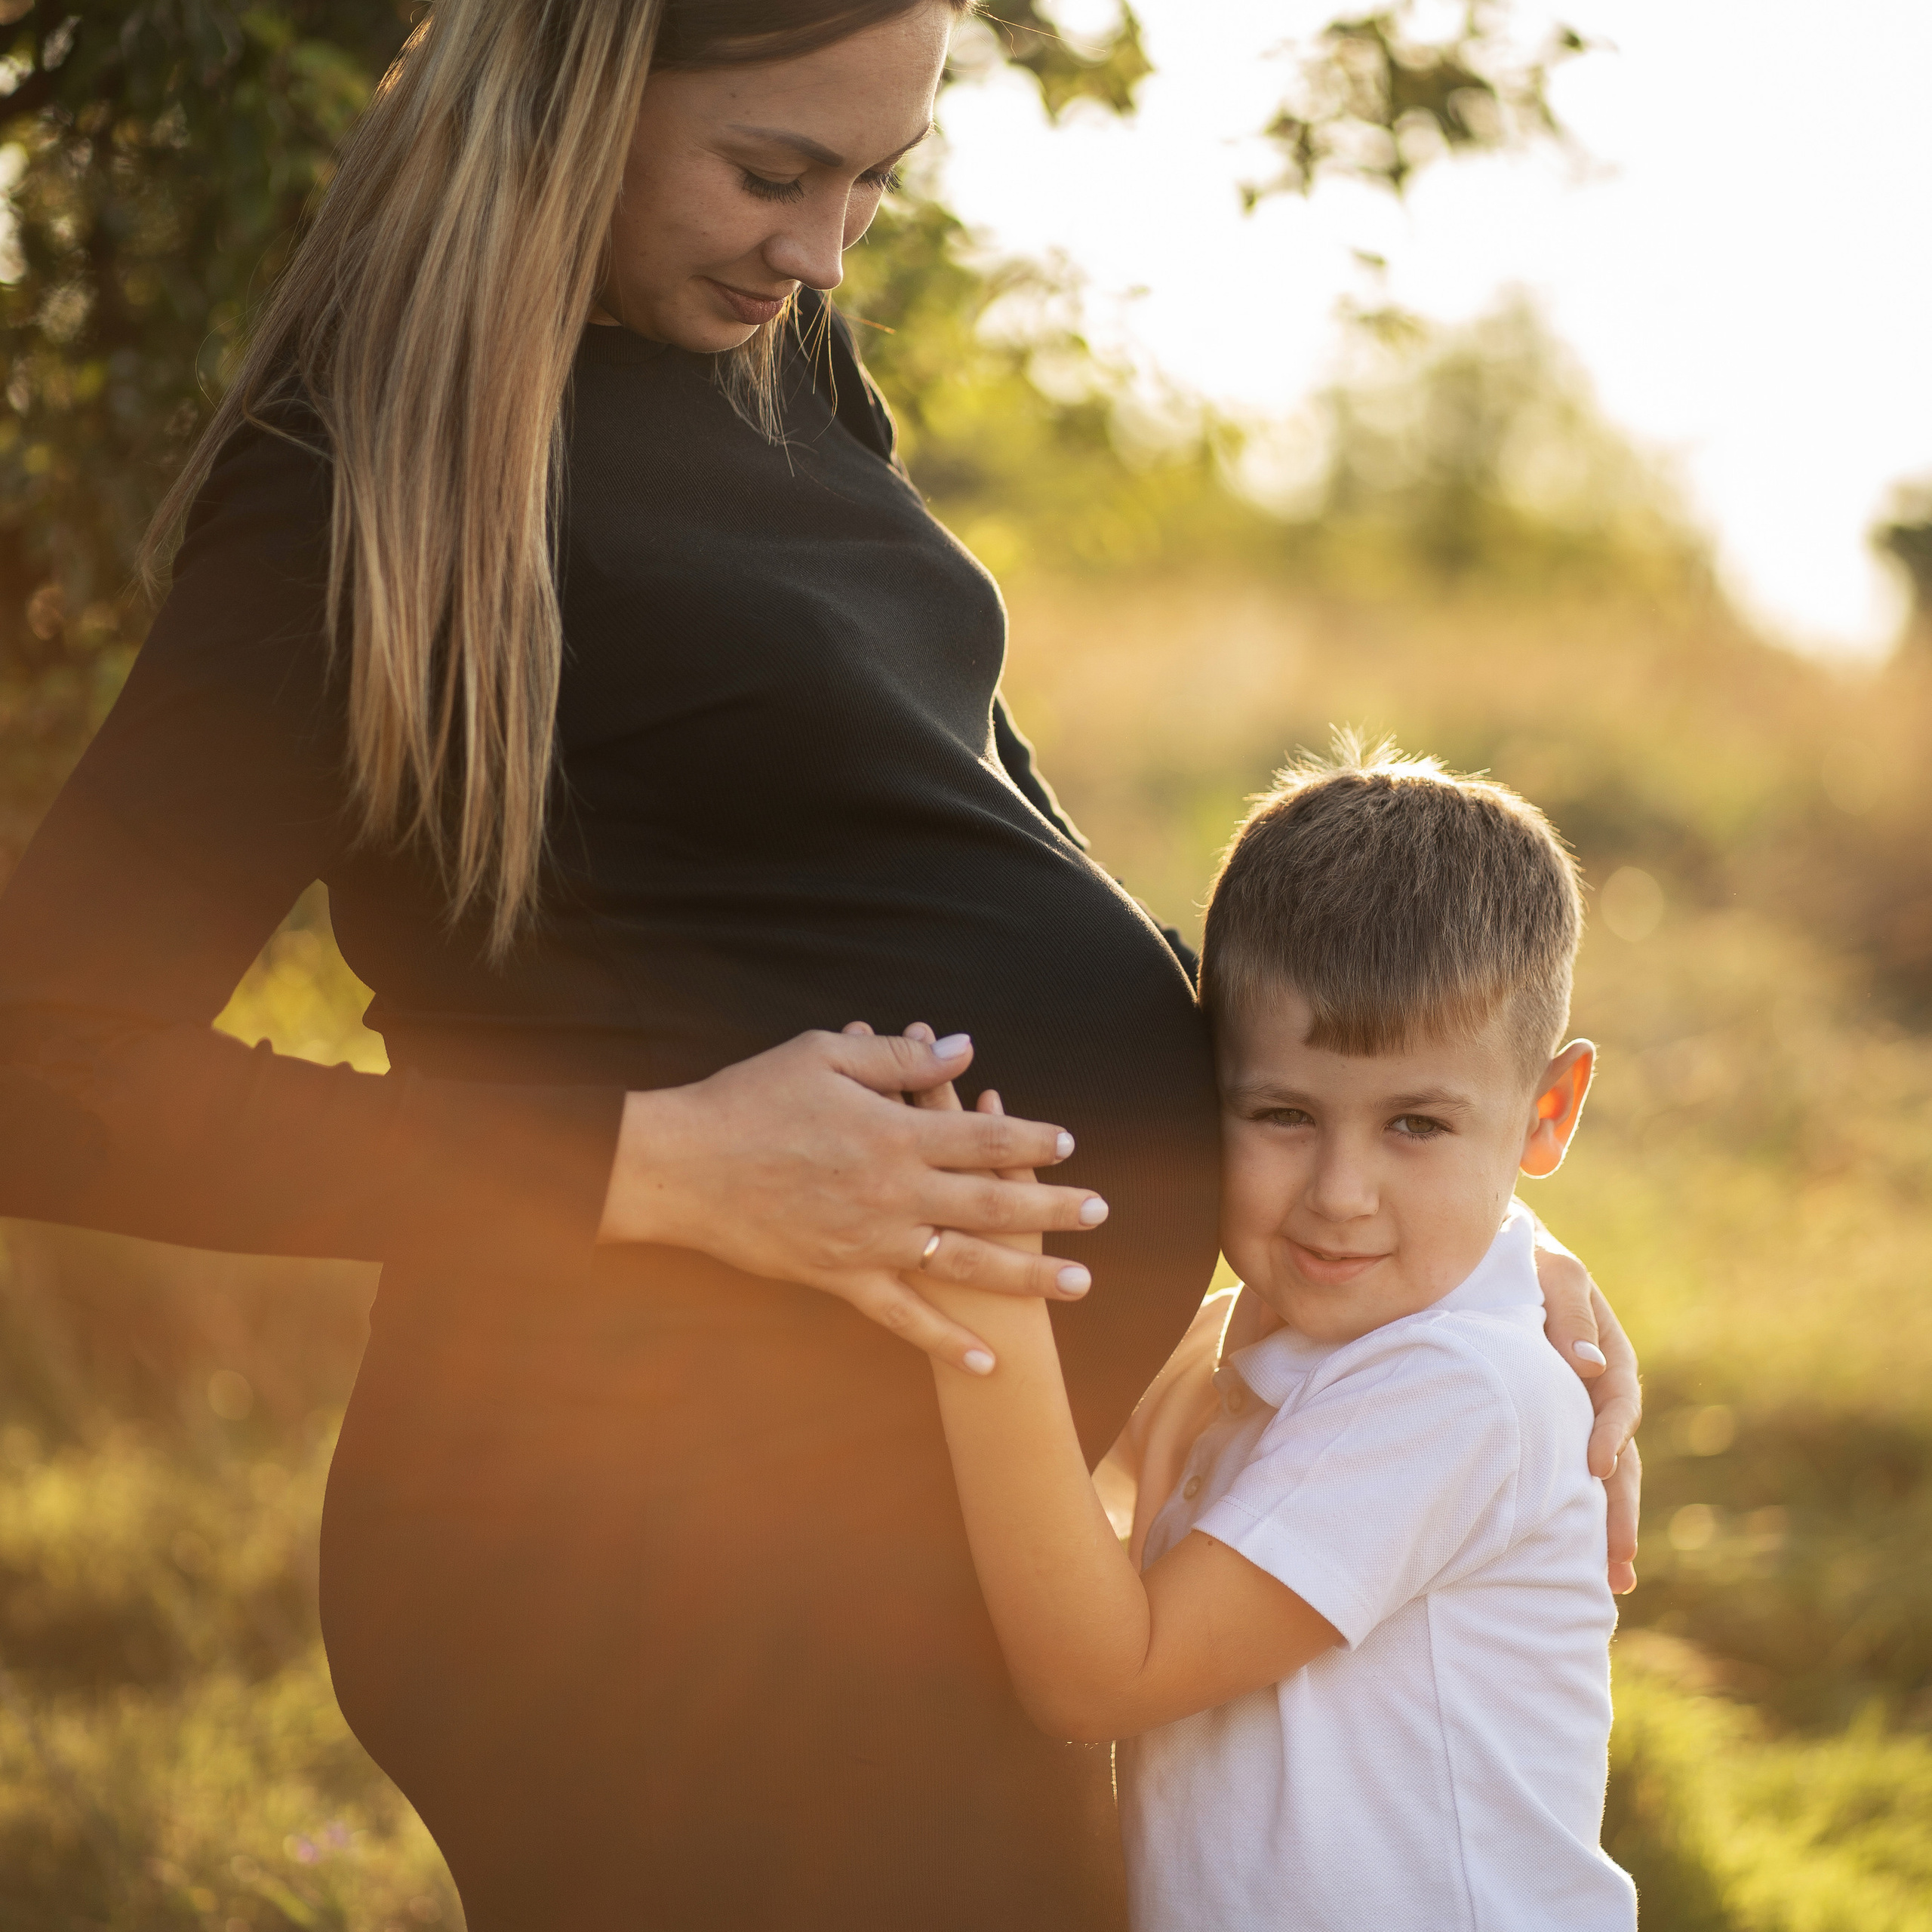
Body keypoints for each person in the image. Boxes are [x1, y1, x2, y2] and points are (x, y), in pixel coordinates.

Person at [0, 2, 1638, 1924]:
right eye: (772, 172)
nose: (821, 249)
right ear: (567, 94)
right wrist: (662, 1161)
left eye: (875, 180)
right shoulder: (353, 485)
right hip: (647, 1582)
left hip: (926, 1562)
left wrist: (1461, 1241)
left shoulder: (784, 373)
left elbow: (986, 850)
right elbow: (51, 1061)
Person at [920, 743, 1639, 1930]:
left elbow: (1101, 1675)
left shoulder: (1458, 1390)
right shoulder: (1249, 1345)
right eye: (1283, 1115)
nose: (1341, 1192)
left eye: (1416, 1123)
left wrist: (978, 1288)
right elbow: (1079, 1503)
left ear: (1546, 1113)